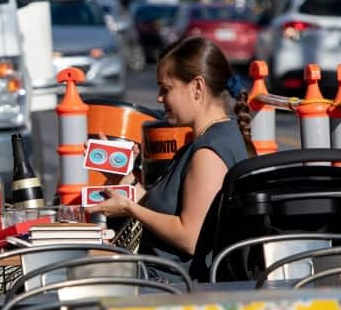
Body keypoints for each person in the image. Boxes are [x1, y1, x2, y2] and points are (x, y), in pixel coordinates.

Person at [86, 37, 250, 274]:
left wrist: (130, 209)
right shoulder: (208, 140)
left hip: (171, 287)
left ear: (197, 88)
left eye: (166, 89)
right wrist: (123, 179)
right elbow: (165, 212)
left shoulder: (208, 153)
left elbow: (190, 237)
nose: (159, 98)